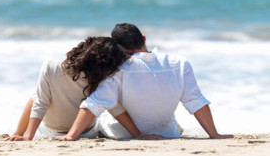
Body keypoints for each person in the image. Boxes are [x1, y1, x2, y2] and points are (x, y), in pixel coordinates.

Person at [59, 23, 234, 140]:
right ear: (144, 38)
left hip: (122, 134)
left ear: (117, 47)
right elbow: (196, 101)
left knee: (104, 110)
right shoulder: (180, 63)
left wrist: (71, 136)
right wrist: (214, 135)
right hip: (168, 133)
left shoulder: (119, 69)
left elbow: (94, 104)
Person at [5, 36, 145, 141]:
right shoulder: (102, 76)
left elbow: (41, 104)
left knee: (37, 95)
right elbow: (115, 107)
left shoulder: (50, 67)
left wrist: (29, 137)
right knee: (106, 101)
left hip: (52, 132)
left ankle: (18, 133)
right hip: (87, 133)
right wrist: (138, 135)